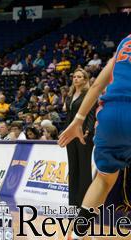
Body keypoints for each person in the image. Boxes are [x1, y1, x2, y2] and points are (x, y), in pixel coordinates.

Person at [58, 34, 131, 239]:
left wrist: (78, 119)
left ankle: (79, 232)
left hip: (110, 115)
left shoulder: (125, 41)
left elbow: (98, 85)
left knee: (104, 179)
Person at [63, 68, 96, 210]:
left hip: (83, 135)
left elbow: (91, 113)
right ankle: (73, 203)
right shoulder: (69, 96)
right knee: (73, 167)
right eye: (74, 76)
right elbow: (69, 117)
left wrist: (87, 131)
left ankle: (84, 204)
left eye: (79, 77)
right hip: (71, 135)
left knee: (84, 169)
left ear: (85, 79)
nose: (76, 79)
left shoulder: (89, 94)